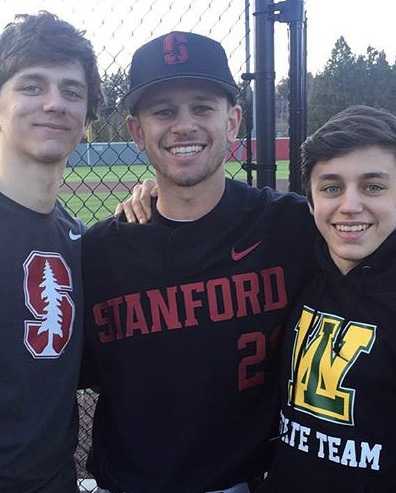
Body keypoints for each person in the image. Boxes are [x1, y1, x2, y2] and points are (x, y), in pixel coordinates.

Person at [82, 31, 316, 493]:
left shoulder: (290, 227)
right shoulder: (98, 252)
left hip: (246, 481)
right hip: (127, 483)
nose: (183, 125)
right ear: (137, 131)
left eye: (202, 108)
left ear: (233, 122)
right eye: (163, 111)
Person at [0, 11, 137, 492]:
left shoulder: (78, 239)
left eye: (72, 91)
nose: (55, 103)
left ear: (86, 116)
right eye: (32, 86)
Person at [265, 105, 396, 492]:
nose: (350, 205)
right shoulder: (299, 264)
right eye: (331, 187)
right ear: (310, 202)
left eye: (373, 186)